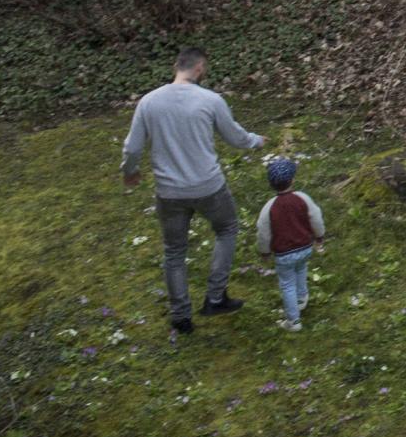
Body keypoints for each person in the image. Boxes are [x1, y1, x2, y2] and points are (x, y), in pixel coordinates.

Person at [120, 47, 265, 335]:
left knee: (174, 251)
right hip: (209, 187)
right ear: (199, 68)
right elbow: (234, 135)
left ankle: (181, 317)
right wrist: (255, 141)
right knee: (227, 229)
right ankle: (215, 297)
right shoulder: (211, 100)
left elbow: (132, 147)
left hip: (169, 192)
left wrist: (130, 171)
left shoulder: (149, 102)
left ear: (176, 65)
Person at [254, 157, 326, 332]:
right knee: (301, 269)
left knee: (287, 284)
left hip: (284, 254)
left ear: (271, 184)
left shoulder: (269, 208)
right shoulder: (303, 198)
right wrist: (319, 236)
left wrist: (264, 252)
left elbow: (263, 233)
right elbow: (315, 217)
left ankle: (293, 321)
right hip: (305, 247)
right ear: (292, 179)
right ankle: (302, 298)